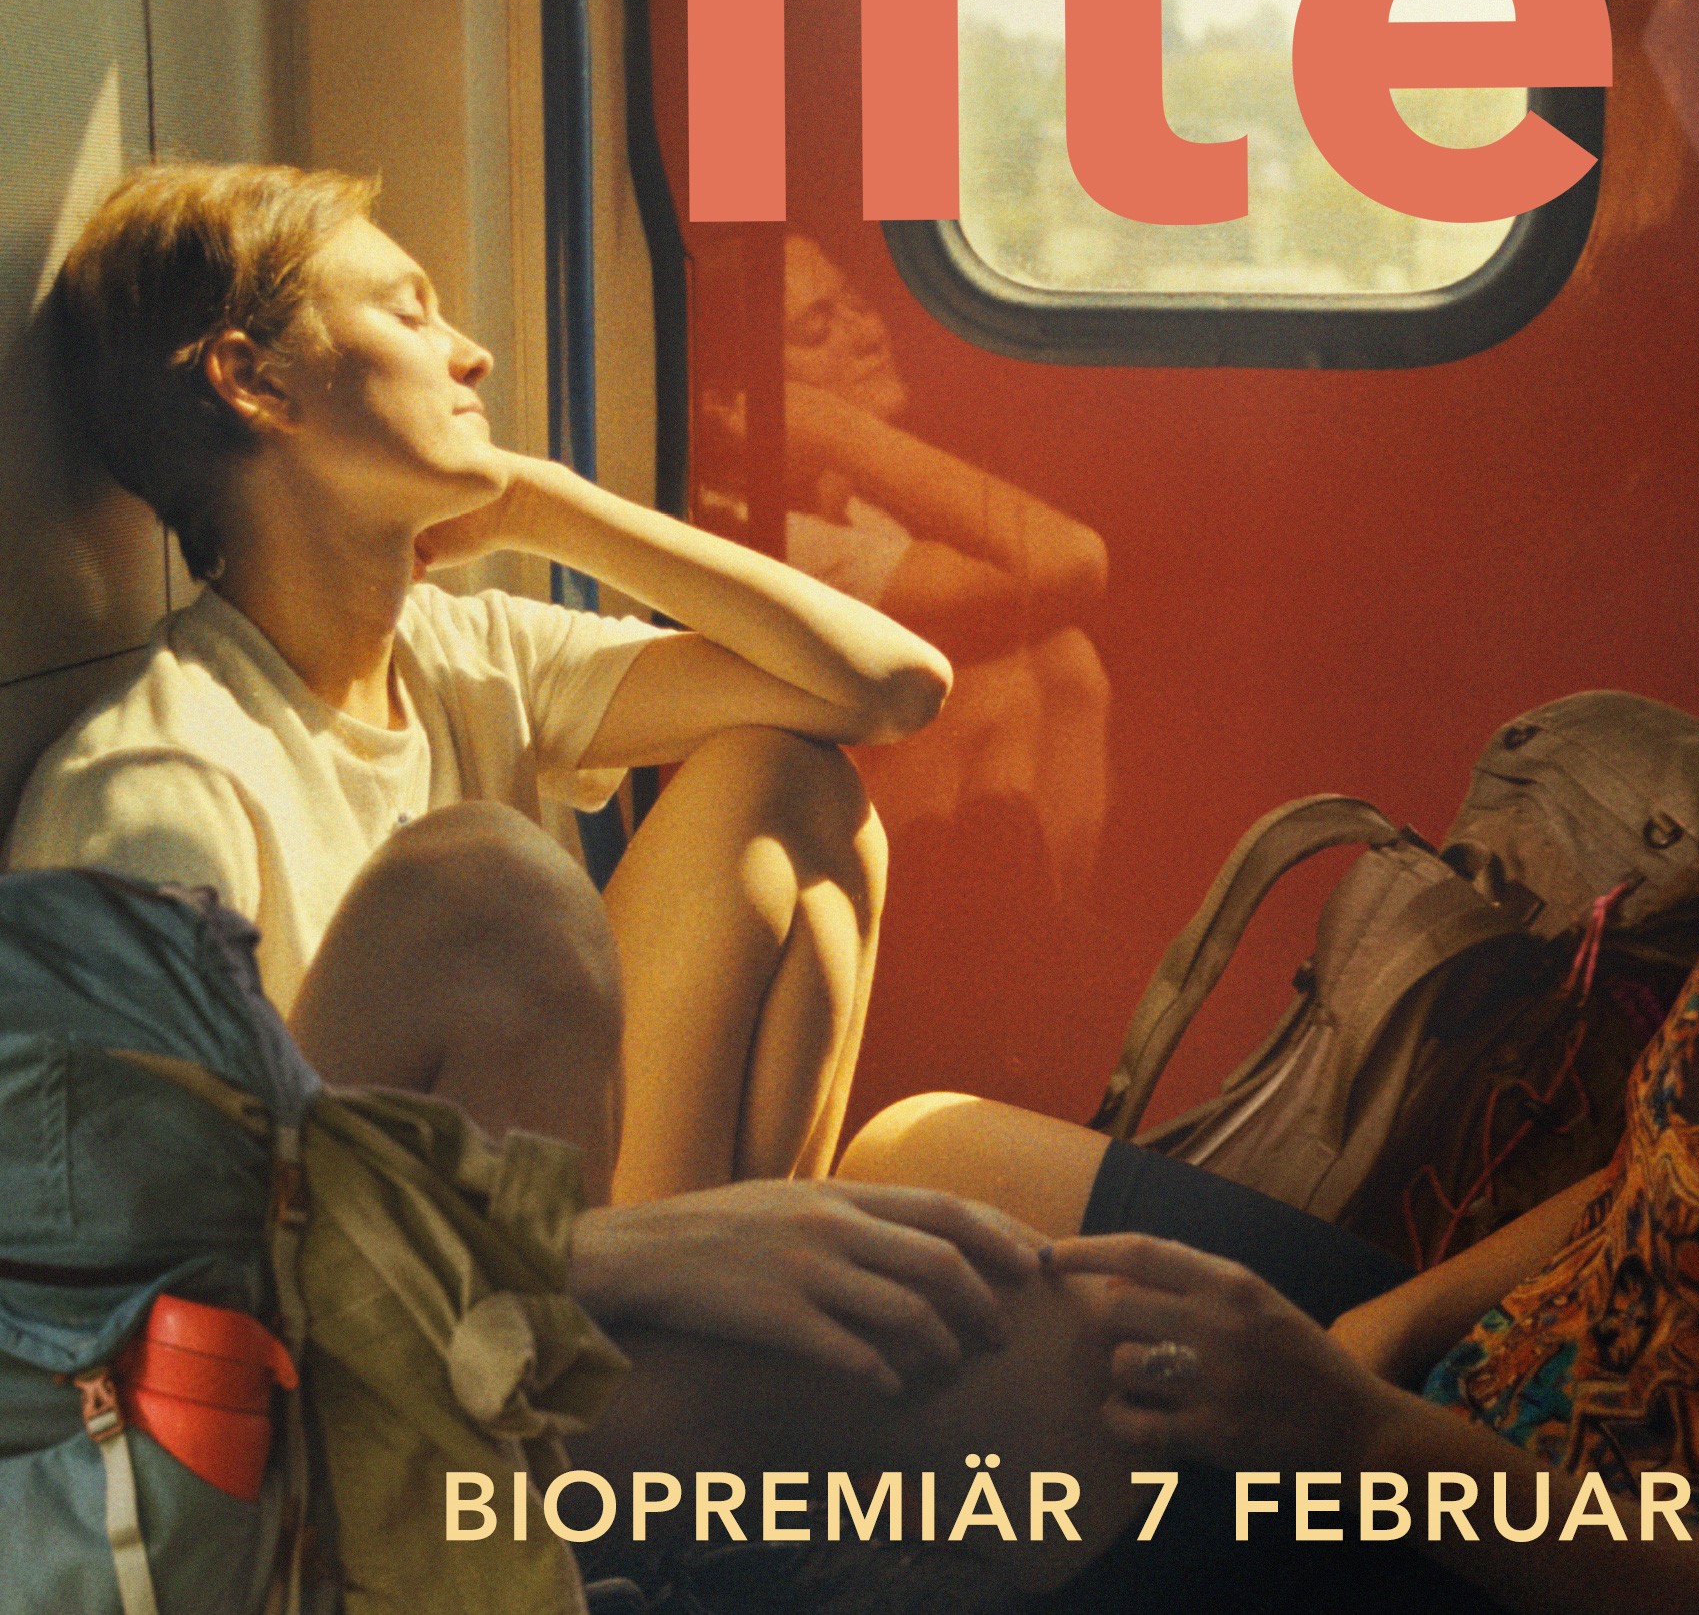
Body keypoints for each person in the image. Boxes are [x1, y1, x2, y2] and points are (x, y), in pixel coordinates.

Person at [736, 121, 1699, 1613]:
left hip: (1544, 1546)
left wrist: (1355, 1442)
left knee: (938, 1458)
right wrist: (1380, 1336)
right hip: (1473, 1400)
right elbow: (1637, 1191)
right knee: (918, 1162)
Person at [3, 162, 1060, 1412]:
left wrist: (548, 506)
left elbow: (887, 686)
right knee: (490, 884)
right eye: (408, 313)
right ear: (255, 381)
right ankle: (670, 1391)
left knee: (788, 785)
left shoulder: (463, 655)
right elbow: (137, 1298)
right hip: (353, 1409)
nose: (472, 353)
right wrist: (595, 1258)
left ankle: (712, 1367)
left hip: (539, 1318)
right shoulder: (155, 787)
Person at [705, 231, 1112, 896]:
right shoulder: (758, 536)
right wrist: (847, 432)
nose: (870, 335)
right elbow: (1070, 562)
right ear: (726, 402)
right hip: (803, 869)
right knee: (997, 690)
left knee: (1065, 660)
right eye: (817, 329)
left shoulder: (852, 515)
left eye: (859, 304)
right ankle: (1013, 931)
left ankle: (1044, 924)